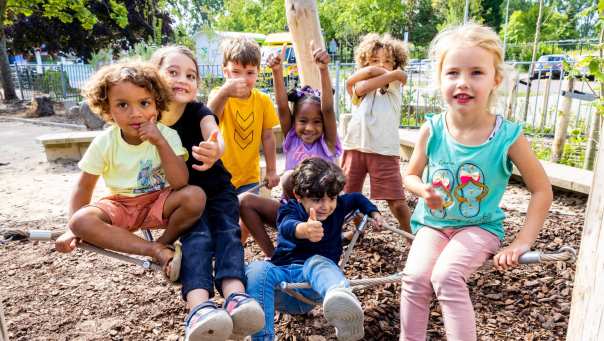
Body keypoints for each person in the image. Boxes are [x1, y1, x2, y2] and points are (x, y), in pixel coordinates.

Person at [399, 23, 553, 341]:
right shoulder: (433, 129)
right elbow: (410, 175)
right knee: (415, 278)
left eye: (476, 73)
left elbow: (541, 190)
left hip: (479, 228)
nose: (463, 83)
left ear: (496, 79)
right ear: (439, 79)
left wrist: (522, 241)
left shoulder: (507, 136)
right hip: (434, 225)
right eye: (453, 72)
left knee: (446, 275)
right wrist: (422, 189)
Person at [151, 46, 264, 341]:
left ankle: (235, 296)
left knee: (228, 234)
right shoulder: (151, 119)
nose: (182, 79)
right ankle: (199, 306)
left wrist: (216, 147)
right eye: (172, 72)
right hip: (185, 199)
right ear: (154, 77)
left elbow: (214, 131)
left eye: (190, 75)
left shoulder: (198, 111)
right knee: (197, 239)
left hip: (218, 190)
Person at [55, 61, 205, 283]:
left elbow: (180, 182)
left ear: (157, 104)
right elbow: (84, 186)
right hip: (121, 204)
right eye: (123, 105)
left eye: (144, 103)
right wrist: (71, 229)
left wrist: (160, 142)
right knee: (80, 221)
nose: (135, 113)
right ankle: (154, 250)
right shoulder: (104, 142)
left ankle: (164, 241)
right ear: (108, 109)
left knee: (195, 196)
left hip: (159, 201)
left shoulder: (167, 135)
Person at [246, 158, 384, 341]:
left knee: (317, 262)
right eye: (317, 199)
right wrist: (304, 229)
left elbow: (358, 198)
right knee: (257, 269)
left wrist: (374, 213)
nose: (326, 206)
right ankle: (262, 337)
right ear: (298, 196)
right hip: (282, 286)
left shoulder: (339, 206)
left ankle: (341, 303)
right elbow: (287, 226)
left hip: (316, 286)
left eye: (332, 198)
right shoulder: (289, 209)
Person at [239, 43, 341, 257]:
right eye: (303, 121)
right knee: (244, 201)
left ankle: (311, 246)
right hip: (292, 214)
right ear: (294, 122)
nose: (310, 127)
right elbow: (283, 107)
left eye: (317, 122)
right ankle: (273, 255)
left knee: (288, 179)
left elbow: (328, 109)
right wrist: (277, 71)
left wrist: (323, 69)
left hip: (321, 212)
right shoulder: (293, 138)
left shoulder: (327, 143)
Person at [341, 33, 412, 235]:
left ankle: (410, 236)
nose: (381, 65)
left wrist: (391, 75)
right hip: (354, 146)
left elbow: (397, 78)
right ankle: (358, 231)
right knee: (348, 196)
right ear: (363, 63)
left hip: (383, 150)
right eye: (374, 61)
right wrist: (388, 72)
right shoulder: (372, 82)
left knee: (397, 202)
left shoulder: (394, 85)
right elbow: (359, 86)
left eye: (387, 62)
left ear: (396, 63)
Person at [207, 37, 280, 195]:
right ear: (225, 71)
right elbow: (210, 119)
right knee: (225, 217)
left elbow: (268, 137)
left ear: (258, 72)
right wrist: (224, 93)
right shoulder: (218, 95)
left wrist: (272, 170)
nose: (243, 79)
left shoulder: (263, 100)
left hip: (249, 177)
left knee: (249, 214)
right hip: (220, 176)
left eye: (250, 73)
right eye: (236, 72)